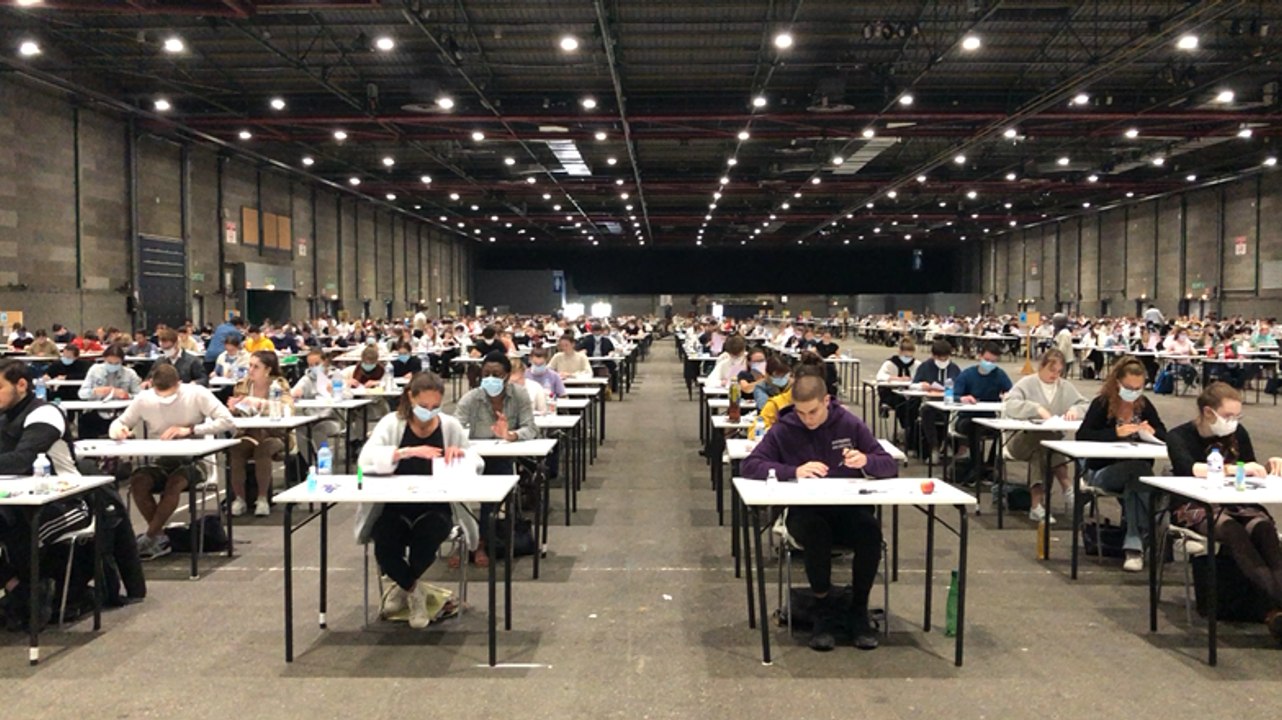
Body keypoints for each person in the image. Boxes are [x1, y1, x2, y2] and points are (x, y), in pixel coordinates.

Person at [741, 375, 898, 652]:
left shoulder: (849, 423)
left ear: (826, 401)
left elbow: (889, 465)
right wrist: (793, 471)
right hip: (805, 512)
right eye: (801, 413)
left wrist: (866, 460)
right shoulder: (784, 429)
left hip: (849, 510)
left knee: (870, 531)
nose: (807, 419)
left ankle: (858, 609)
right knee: (817, 533)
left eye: (813, 412)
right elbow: (750, 466)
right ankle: (822, 609)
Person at [356, 371, 481, 627]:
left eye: (435, 407)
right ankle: (416, 591)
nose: (429, 412)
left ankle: (405, 588)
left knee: (426, 541)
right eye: (424, 406)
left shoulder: (450, 426)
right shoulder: (392, 423)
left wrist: (461, 455)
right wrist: (404, 452)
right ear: (410, 398)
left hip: (436, 506)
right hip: (394, 505)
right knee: (384, 544)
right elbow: (364, 461)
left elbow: (477, 464)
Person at [1164, 382, 1282, 641]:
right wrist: (1235, 468)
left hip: (1237, 501)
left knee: (1265, 529)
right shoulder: (1178, 436)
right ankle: (1276, 602)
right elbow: (1189, 468)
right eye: (1228, 416)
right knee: (1232, 531)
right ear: (1208, 413)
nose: (1233, 422)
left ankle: (1276, 607)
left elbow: (1249, 469)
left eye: (1237, 416)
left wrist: (1266, 467)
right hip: (1193, 504)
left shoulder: (1239, 434)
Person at [109, 364, 235, 560]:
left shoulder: (197, 394)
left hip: (196, 460)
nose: (165, 398)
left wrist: (191, 430)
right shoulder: (144, 399)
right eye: (160, 394)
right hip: (162, 460)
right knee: (139, 481)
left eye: (169, 393)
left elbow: (227, 421)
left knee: (175, 483)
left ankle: (149, 537)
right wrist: (118, 431)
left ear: (179, 384)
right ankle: (160, 537)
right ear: (152, 385)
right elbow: (120, 422)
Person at [0, 358, 87, 630]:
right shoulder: (3, 414)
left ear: (21, 385)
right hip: (14, 500)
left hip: (66, 501)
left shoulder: (45, 413)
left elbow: (21, 460)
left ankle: (32, 595)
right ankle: (18, 589)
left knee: (22, 533)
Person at [1076, 355, 1168, 572]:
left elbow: (1165, 435)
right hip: (1102, 471)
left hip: (1137, 474)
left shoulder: (1144, 406)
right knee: (1140, 474)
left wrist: (1153, 432)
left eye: (1138, 388)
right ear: (1117, 383)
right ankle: (1155, 526)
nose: (1133, 392)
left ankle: (1134, 547)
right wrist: (1115, 433)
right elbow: (1083, 435)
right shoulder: (1102, 404)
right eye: (1128, 387)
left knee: (1136, 482)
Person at [455, 351, 537, 567]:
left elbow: (531, 427)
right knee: (452, 492)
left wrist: (511, 435)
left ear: (507, 376)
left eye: (496, 374)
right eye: (486, 374)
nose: (490, 378)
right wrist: (459, 442)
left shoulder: (519, 395)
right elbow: (454, 427)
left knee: (491, 495)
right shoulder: (471, 398)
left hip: (502, 456)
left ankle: (482, 542)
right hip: (473, 457)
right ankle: (463, 540)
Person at [1002, 349, 1091, 523]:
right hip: (1019, 440)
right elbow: (1010, 404)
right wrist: (1035, 409)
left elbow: (1086, 405)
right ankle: (1067, 487)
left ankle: (1036, 506)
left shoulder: (1065, 387)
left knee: (1042, 450)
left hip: (1045, 443)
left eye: (1059, 371)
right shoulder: (1026, 383)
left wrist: (1075, 410)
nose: (1055, 375)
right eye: (1051, 370)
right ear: (1041, 366)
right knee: (1045, 442)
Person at [226, 351, 294, 517]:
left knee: (262, 449)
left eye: (256, 367)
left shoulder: (279, 385)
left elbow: (288, 409)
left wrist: (260, 403)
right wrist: (233, 409)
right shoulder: (242, 385)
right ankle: (240, 499)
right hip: (249, 433)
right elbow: (236, 415)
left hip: (276, 434)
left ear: (267, 370)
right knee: (235, 449)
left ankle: (262, 499)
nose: (250, 370)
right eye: (250, 365)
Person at [951, 341, 1014, 484]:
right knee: (974, 428)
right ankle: (977, 465)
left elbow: (1012, 392)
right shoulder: (967, 374)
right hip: (966, 419)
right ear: (979, 357)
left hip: (989, 418)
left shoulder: (999, 375)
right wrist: (962, 398)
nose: (989, 364)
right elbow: (952, 396)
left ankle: (991, 466)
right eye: (987, 360)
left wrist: (1007, 395)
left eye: (993, 361)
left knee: (1001, 431)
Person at [911, 339, 962, 463]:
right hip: (931, 403)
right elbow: (913, 385)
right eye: (940, 358)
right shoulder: (925, 367)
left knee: (958, 416)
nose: (943, 361)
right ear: (934, 356)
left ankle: (950, 444)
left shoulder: (954, 368)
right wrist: (922, 386)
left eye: (946, 358)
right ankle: (934, 447)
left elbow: (961, 386)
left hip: (950, 404)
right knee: (926, 412)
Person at [874, 338, 919, 430]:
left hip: (910, 394)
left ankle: (911, 430)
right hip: (893, 395)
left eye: (910, 356)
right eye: (905, 356)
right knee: (902, 404)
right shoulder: (890, 363)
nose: (908, 359)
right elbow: (879, 376)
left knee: (914, 405)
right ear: (899, 352)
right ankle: (907, 428)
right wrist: (896, 378)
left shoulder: (917, 364)